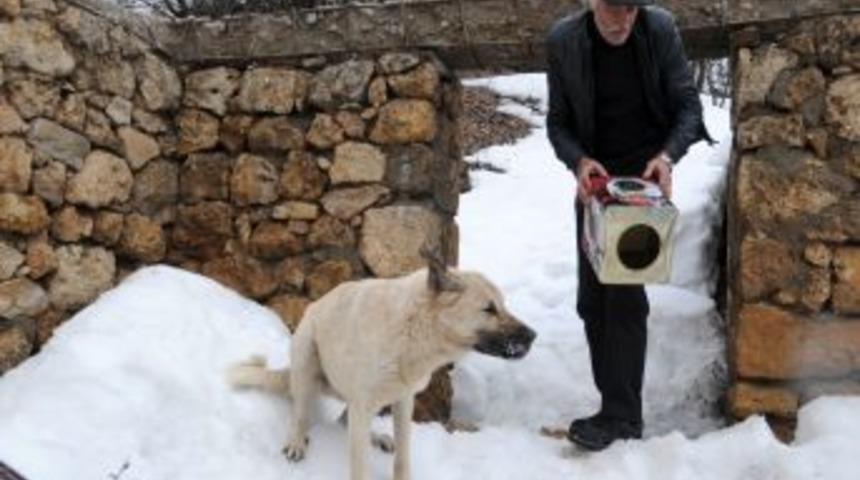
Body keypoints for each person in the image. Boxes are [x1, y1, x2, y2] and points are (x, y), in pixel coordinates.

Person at [545, 0, 711, 451]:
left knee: (624, 298)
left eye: (631, 10)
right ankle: (612, 406)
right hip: (595, 185)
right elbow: (557, 123)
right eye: (614, 10)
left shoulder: (658, 30)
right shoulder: (563, 41)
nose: (623, 20)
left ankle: (621, 417)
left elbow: (688, 109)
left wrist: (667, 157)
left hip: (643, 183)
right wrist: (578, 162)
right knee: (591, 302)